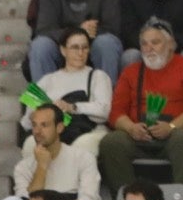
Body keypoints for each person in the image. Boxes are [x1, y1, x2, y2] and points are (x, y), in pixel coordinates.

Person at [98, 21, 183, 191]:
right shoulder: (131, 72)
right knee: (112, 141)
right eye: (144, 44)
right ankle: (127, 199)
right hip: (139, 137)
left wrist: (171, 127)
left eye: (155, 42)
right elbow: (116, 112)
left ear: (171, 44)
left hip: (175, 134)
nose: (149, 48)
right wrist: (131, 128)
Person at [19, 27, 113, 156]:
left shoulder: (98, 76)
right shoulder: (47, 80)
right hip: (55, 132)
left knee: (81, 146)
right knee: (31, 143)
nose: (80, 53)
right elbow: (26, 122)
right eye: (75, 47)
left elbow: (105, 110)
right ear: (63, 50)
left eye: (84, 48)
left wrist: (72, 107)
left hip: (89, 132)